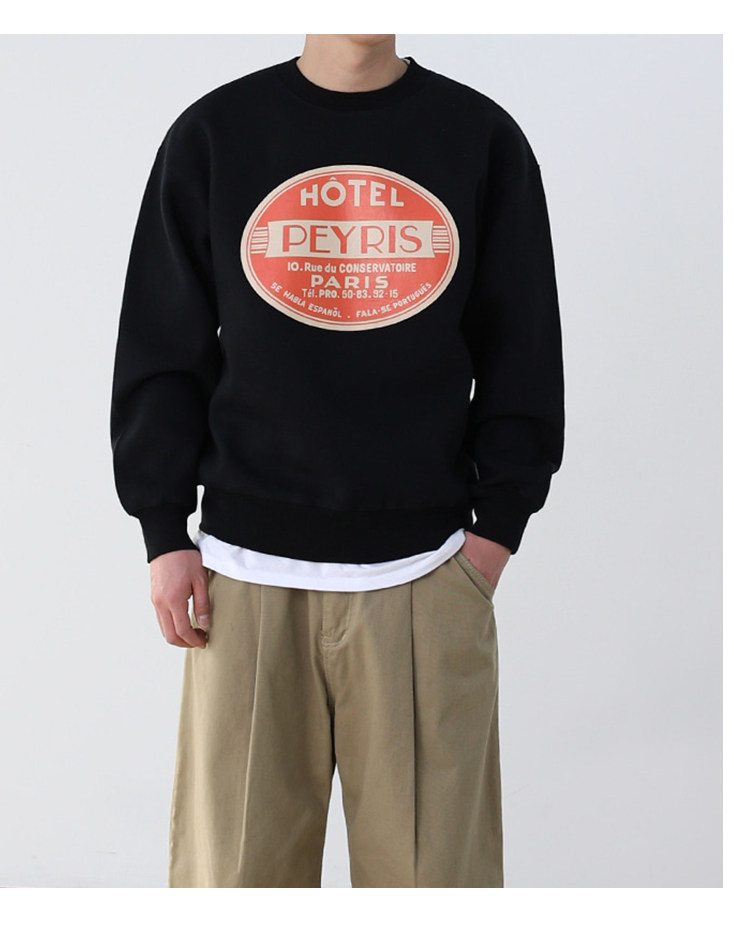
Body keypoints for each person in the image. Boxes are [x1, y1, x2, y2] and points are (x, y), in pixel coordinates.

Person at [110, 33, 564, 888]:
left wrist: (494, 533)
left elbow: (523, 348)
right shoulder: (217, 133)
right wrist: (163, 531)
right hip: (242, 585)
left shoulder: (479, 137)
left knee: (436, 887)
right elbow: (162, 347)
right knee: (232, 883)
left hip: (426, 577)